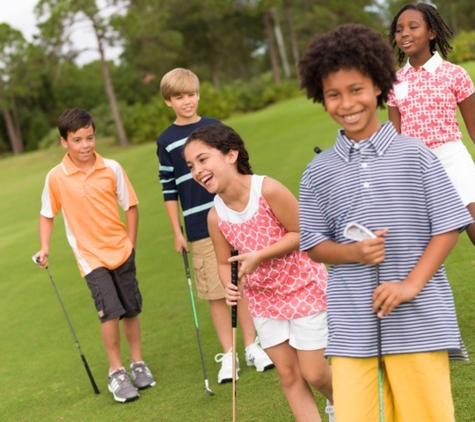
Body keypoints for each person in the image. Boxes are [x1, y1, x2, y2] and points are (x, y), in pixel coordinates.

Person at [298, 24, 473, 421]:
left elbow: (448, 225)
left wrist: (411, 284)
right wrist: (352, 253)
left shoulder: (416, 154)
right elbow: (312, 242)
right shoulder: (318, 171)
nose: (347, 103)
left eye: (356, 89)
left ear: (379, 86)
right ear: (321, 98)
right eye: (333, 94)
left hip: (421, 319)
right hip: (352, 327)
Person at [183, 123, 335, 422]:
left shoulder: (267, 189)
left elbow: (302, 232)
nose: (197, 170)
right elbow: (225, 262)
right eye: (191, 165)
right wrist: (229, 287)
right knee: (289, 376)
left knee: (315, 372)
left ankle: (343, 404)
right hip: (264, 301)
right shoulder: (215, 216)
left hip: (303, 287)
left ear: (230, 155)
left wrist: (260, 255)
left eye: (203, 159)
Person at [156, 68, 273, 384]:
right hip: (197, 225)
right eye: (180, 97)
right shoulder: (166, 141)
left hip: (233, 217)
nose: (187, 101)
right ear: (169, 101)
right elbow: (169, 189)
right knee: (217, 292)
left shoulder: (214, 128)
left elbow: (240, 169)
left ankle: (252, 345)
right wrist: (176, 231)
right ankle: (229, 353)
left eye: (191, 94)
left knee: (242, 283)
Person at [33, 108, 155, 403]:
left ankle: (138, 363)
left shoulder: (112, 168)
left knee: (131, 309)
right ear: (64, 142)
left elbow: (131, 206)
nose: (86, 145)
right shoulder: (56, 177)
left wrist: (131, 243)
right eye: (78, 140)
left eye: (90, 137)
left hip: (121, 250)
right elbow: (47, 214)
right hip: (90, 257)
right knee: (110, 312)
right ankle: (116, 372)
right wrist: (45, 247)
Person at [388, 3, 475, 246]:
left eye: (413, 27)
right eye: (399, 29)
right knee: (421, 245)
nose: (404, 33)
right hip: (416, 168)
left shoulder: (455, 74)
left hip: (453, 159)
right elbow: (394, 138)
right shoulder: (394, 82)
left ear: (432, 33)